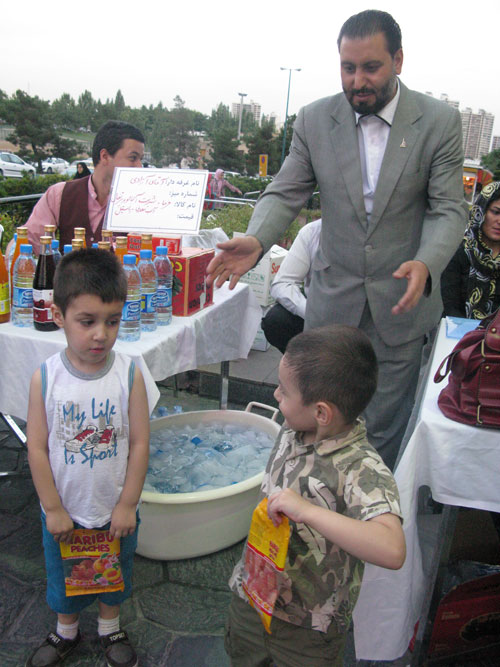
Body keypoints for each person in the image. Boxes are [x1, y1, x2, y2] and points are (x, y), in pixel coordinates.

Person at [207, 9, 467, 470]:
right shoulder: (315, 119)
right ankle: (307, 503)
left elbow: (448, 208)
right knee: (312, 421)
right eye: (348, 68)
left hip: (401, 304)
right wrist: (257, 238)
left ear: (398, 60)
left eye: (371, 67)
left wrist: (426, 262)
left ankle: (365, 512)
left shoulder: (438, 122)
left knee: (381, 430)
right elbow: (286, 190)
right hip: (333, 304)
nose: (357, 81)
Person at [226, 324, 405, 667]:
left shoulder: (361, 469)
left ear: (321, 412)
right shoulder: (294, 430)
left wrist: (308, 511)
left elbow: (392, 548)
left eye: (284, 391)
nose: (276, 394)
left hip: (307, 630)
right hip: (252, 596)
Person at [25, 249, 150, 667]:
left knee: (115, 572)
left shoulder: (129, 374)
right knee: (63, 575)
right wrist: (53, 508)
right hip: (65, 510)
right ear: (58, 316)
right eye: (87, 321)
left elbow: (139, 443)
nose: (101, 334)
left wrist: (128, 503)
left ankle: (110, 626)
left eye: (112, 321)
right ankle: (66, 630)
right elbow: (37, 447)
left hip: (114, 509)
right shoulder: (46, 378)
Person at [18, 120, 144, 255]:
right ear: (105, 156)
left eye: (141, 159)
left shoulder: (142, 203)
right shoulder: (60, 194)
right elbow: (28, 240)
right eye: (133, 158)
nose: (140, 166)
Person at [441, 181, 500, 319]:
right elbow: (450, 305)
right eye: (496, 212)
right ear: (481, 211)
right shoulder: (459, 252)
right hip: (458, 329)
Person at [261, 219, 321, 353]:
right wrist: (312, 313)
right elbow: (282, 283)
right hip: (316, 310)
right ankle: (302, 362)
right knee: (276, 320)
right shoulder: (313, 232)